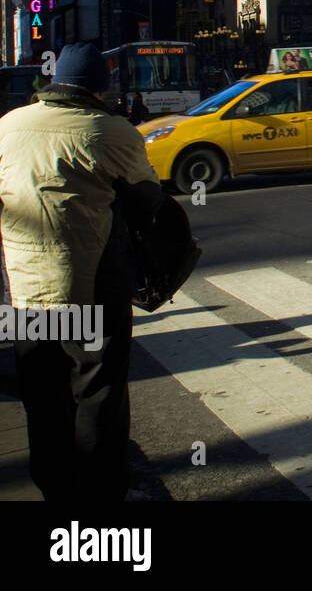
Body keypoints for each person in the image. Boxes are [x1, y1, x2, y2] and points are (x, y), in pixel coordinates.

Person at [0, 42, 163, 501]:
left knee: (41, 391)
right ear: (100, 90)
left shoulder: (9, 125)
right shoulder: (110, 131)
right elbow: (148, 197)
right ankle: (101, 490)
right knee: (97, 390)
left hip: (25, 287)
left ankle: (53, 484)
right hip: (91, 285)